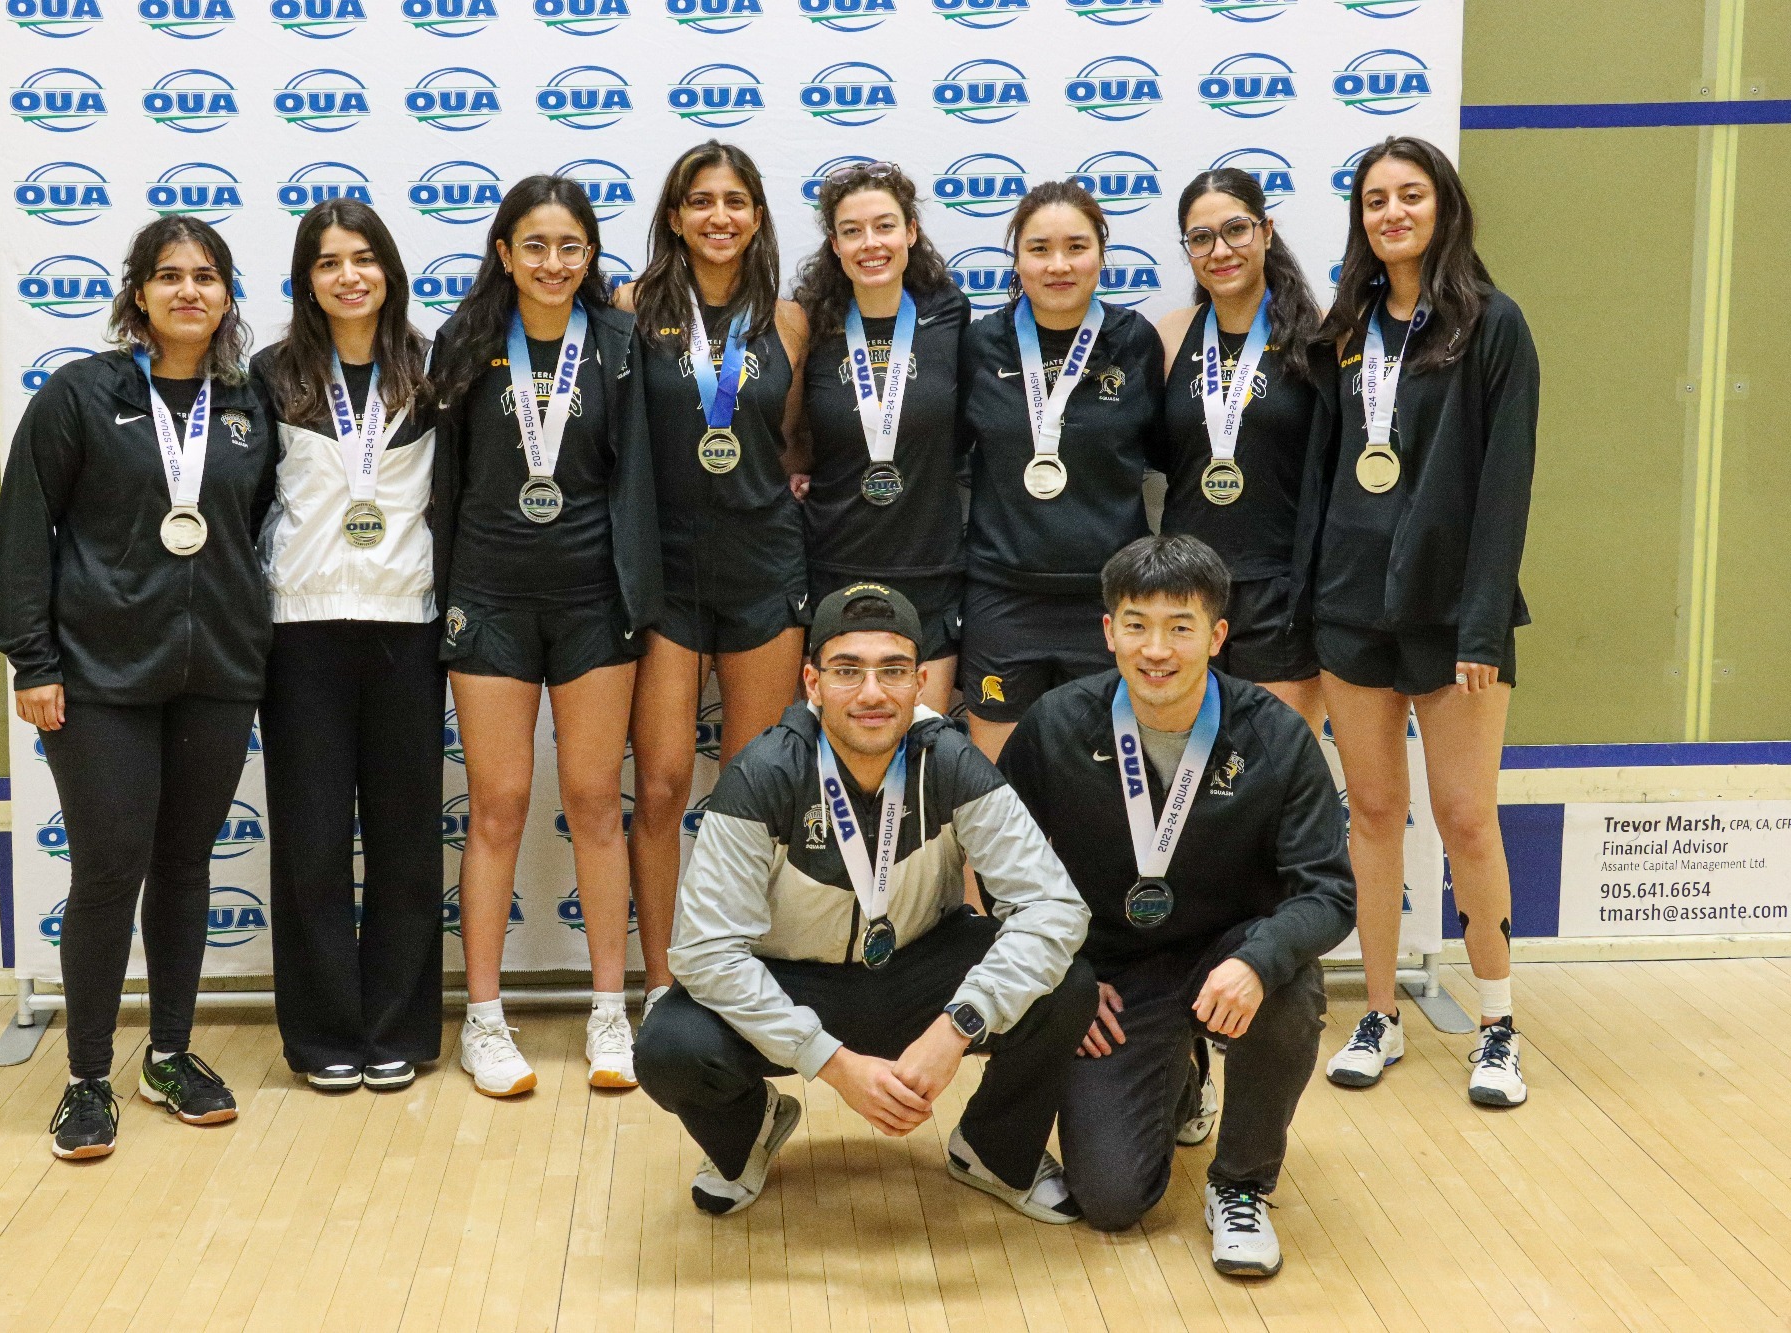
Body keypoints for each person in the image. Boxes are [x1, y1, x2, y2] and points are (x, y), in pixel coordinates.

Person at [636, 584, 1097, 1223]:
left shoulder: (953, 761)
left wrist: (960, 1024)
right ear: (813, 683)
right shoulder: (763, 773)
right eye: (848, 671)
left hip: (920, 972)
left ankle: (994, 1150)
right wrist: (830, 1062)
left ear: (921, 684)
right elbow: (706, 951)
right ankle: (752, 1128)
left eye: (893, 672)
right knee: (669, 1047)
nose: (873, 693)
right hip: (793, 981)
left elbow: (1054, 906)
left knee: (1069, 983)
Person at [0, 216, 272, 1160]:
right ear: (138, 294)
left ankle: (171, 1054)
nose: (188, 290)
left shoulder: (249, 403)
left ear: (228, 294)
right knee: (112, 866)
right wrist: (32, 660)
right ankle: (83, 1077)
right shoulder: (80, 395)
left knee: (186, 863)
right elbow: (26, 527)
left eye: (206, 276)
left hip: (219, 671)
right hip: (100, 675)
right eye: (168, 276)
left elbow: (263, 525)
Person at [996, 535, 1354, 1275]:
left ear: (1217, 636)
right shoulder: (1054, 727)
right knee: (1111, 1200)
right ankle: (1181, 1074)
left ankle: (1241, 1184)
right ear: (1108, 630)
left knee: (1289, 984)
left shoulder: (1277, 736)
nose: (1156, 649)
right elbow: (1005, 877)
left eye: (1180, 627)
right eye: (1136, 624)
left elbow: (1328, 890)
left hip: (1228, 958)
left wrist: (1258, 961)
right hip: (1115, 976)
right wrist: (1067, 977)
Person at [1298, 136, 1540, 1106]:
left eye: (1407, 195)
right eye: (1372, 200)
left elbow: (1504, 484)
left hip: (1450, 616)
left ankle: (1495, 1023)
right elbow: (1322, 475)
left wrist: (1481, 623)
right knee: (1369, 814)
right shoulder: (1344, 328)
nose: (1389, 212)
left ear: (1441, 205)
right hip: (1350, 608)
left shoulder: (1492, 323)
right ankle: (1379, 1014)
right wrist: (1315, 595)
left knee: (1464, 817)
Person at [430, 175, 659, 1097]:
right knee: (497, 806)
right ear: (503, 254)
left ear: (591, 255)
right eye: (535, 246)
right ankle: (483, 1020)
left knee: (599, 802)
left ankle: (612, 1006)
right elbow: (441, 479)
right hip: (486, 600)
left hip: (594, 603)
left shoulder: (619, 343)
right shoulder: (467, 341)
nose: (554, 263)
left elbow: (637, 472)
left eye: (571, 247)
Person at [615, 141, 811, 1018]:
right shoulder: (631, 308)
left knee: (746, 791)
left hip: (765, 569)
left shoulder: (791, 320)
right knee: (659, 784)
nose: (718, 217)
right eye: (700, 201)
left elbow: (793, 443)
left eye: (735, 201)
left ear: (758, 216)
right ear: (674, 216)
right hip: (665, 576)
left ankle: (735, 975)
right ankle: (660, 982)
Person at [252, 200, 443, 1094]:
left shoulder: (434, 370)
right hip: (302, 629)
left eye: (364, 259)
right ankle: (325, 1030)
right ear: (307, 278)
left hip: (408, 624)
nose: (349, 276)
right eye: (328, 262)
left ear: (390, 270)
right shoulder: (271, 374)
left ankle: (398, 1022)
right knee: (314, 840)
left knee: (406, 839)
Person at [957, 179, 1167, 763]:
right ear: (1016, 259)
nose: (1058, 265)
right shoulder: (980, 345)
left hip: (1110, 603)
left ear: (1101, 254)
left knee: (1102, 795)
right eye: (1039, 249)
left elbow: (1163, 456)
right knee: (996, 803)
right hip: (1002, 599)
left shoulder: (1136, 343)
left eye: (1076, 247)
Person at [1155, 168, 1330, 738]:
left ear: (1267, 232)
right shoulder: (1170, 337)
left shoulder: (1321, 336)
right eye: (1200, 238)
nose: (1220, 250)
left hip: (1283, 592)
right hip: (1186, 594)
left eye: (1236, 230)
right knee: (1188, 780)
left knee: (1273, 778)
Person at [790, 163, 971, 711]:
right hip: (834, 566)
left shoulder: (950, 317)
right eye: (852, 230)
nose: (871, 243)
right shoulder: (811, 324)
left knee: (922, 753)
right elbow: (786, 428)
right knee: (838, 760)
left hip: (930, 568)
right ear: (835, 244)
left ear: (911, 232)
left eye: (885, 226)